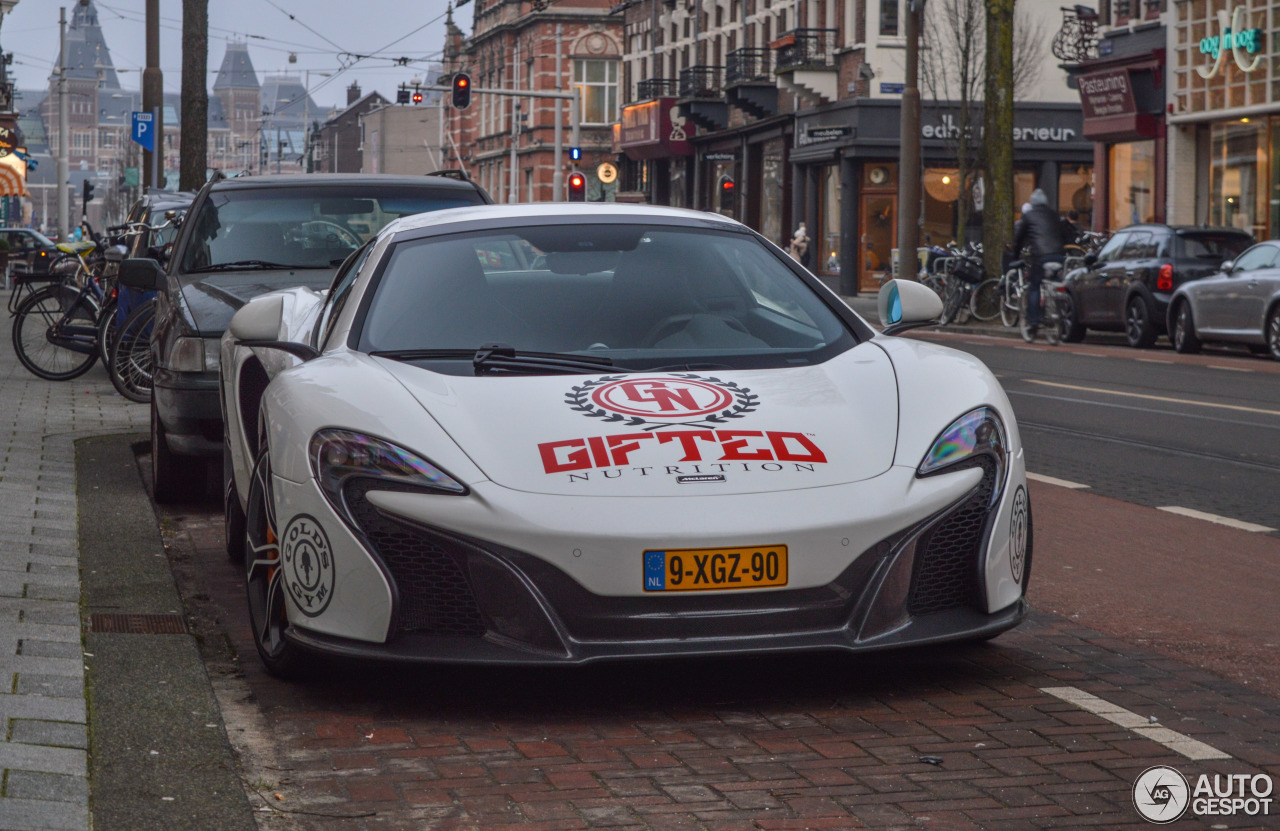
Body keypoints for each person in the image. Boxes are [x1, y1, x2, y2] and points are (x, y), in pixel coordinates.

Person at [1012, 188, 1064, 341]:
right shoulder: (1054, 215)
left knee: (1034, 286)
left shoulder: (1029, 216)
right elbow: (1063, 234)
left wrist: (1015, 255)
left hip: (1041, 256)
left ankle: (1034, 321)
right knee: (1055, 284)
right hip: (1058, 256)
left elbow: (1019, 237)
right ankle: (1056, 313)